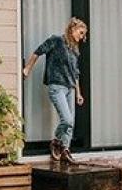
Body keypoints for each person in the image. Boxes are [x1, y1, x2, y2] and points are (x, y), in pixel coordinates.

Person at [22, 17, 88, 163]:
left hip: (70, 87)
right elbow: (38, 51)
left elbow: (75, 73)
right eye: (81, 33)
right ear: (73, 29)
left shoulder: (74, 50)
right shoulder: (56, 40)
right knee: (67, 119)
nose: (82, 38)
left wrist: (78, 93)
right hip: (57, 86)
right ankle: (56, 141)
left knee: (71, 124)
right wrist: (27, 68)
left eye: (84, 35)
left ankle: (65, 150)